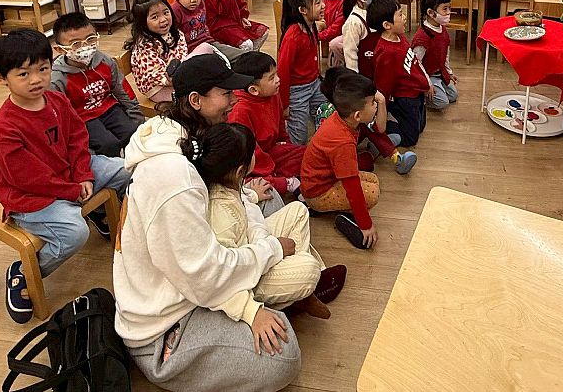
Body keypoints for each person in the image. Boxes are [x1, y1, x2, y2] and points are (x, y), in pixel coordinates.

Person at [114, 54, 302, 391]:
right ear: (195, 100)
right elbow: (203, 274)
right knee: (285, 357)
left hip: (197, 278)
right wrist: (269, 252)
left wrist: (257, 227)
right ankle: (277, 293)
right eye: (226, 94)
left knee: (268, 199)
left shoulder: (185, 135)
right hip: (166, 321)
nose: (234, 101)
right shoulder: (174, 178)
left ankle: (280, 287)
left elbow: (230, 196)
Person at [0, 29, 129, 324]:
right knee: (75, 233)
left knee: (125, 169)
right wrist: (73, 190)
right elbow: (28, 179)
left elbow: (77, 137)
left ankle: (113, 219)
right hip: (31, 197)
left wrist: (83, 175)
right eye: (23, 74)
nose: (36, 79)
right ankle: (26, 271)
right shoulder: (5, 129)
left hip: (70, 177)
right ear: (2, 78)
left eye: (43, 69)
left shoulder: (55, 100)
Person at [186, 122, 347, 321]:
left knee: (297, 211)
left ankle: (300, 295)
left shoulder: (224, 183)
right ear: (240, 171)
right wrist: (273, 249)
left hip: (255, 247)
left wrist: (252, 195)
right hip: (247, 278)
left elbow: (242, 204)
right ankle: (298, 294)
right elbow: (223, 277)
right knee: (310, 268)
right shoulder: (222, 216)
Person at [301, 73, 381, 250]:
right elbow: (352, 187)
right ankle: (339, 215)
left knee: (373, 180)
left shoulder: (341, 119)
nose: (376, 105)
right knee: (372, 193)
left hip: (323, 180)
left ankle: (330, 208)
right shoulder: (342, 142)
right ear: (357, 115)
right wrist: (366, 224)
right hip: (318, 192)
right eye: (373, 103)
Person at [51, 12, 144, 157]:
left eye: (90, 39)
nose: (85, 47)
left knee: (132, 132)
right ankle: (114, 167)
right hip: (82, 118)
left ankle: (132, 162)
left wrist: (136, 118)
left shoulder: (105, 61)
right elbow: (60, 115)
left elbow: (123, 90)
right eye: (76, 44)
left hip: (109, 108)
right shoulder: (57, 78)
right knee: (108, 145)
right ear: (60, 49)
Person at [229, 51, 306, 198]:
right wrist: (270, 170)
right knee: (252, 183)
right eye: (272, 78)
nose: (278, 80)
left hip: (271, 152)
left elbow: (281, 125)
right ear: (254, 90)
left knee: (310, 155)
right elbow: (250, 152)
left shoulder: (272, 93)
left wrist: (286, 147)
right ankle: (287, 182)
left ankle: (282, 177)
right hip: (252, 162)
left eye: (276, 74)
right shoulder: (240, 111)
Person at [316, 66, 417, 175]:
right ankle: (374, 151)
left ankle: (396, 156)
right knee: (363, 163)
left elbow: (379, 129)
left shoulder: (353, 107)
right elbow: (331, 153)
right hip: (339, 154)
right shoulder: (328, 114)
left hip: (352, 140)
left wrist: (381, 101)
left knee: (369, 126)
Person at [367, 0, 432, 147]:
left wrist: (426, 82)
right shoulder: (386, 52)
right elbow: (382, 86)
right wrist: (380, 113)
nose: (405, 18)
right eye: (400, 15)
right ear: (387, 25)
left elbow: (413, 62)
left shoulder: (400, 37)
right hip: (406, 97)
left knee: (420, 127)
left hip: (417, 92)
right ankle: (372, 125)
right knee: (410, 139)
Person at [277, 0, 326, 145]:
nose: (323, 5)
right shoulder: (293, 36)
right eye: (317, 2)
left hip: (315, 84)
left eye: (321, 0)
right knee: (298, 139)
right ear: (303, 10)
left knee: (327, 116)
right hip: (297, 91)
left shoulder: (311, 25)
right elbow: (282, 71)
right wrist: (284, 105)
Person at [170, 0, 246, 61]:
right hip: (190, 51)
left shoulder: (201, 3)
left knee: (246, 56)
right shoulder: (174, 11)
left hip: (209, 43)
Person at [412, 0, 459, 111]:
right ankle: (420, 96)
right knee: (442, 103)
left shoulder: (442, 28)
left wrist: (449, 72)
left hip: (439, 73)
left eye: (449, 8)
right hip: (427, 75)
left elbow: (446, 53)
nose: (449, 12)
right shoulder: (422, 38)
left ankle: (438, 87)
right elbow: (416, 64)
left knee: (453, 96)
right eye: (445, 9)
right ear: (431, 13)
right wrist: (427, 83)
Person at [341, 0, 379, 72]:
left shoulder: (377, 10)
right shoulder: (354, 22)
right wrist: (355, 77)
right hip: (364, 73)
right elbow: (350, 54)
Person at [317, 0, 347, 67]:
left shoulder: (344, 3)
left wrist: (317, 36)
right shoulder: (322, 0)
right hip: (328, 35)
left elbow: (336, 29)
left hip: (339, 38)